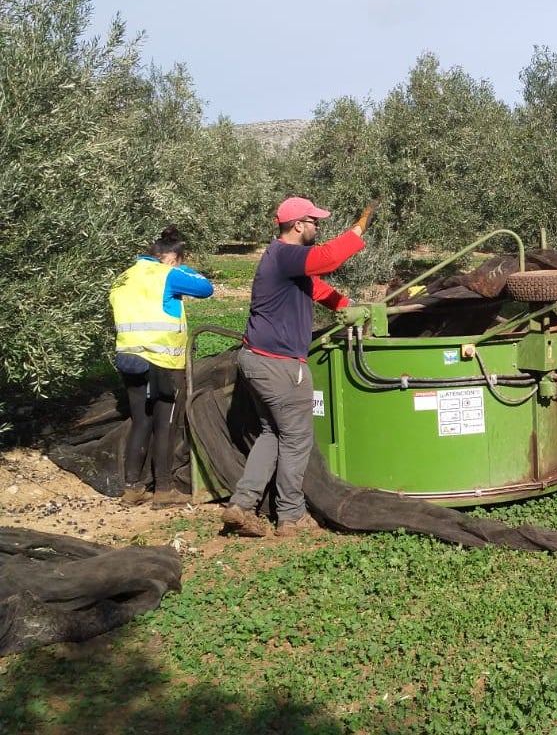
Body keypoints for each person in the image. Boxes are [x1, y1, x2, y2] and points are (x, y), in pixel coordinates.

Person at [222, 197, 374, 538]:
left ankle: (242, 504)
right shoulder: (287, 254)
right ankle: (291, 517)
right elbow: (330, 258)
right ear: (298, 225)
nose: (318, 227)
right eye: (315, 221)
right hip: (280, 366)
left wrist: (351, 305)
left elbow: (317, 288)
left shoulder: (283, 263)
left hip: (255, 359)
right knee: (296, 438)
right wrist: (359, 229)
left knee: (272, 433)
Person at [110, 226, 214, 508]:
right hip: (162, 362)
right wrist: (178, 266)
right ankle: (164, 491)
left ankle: (132, 489)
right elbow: (206, 288)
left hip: (129, 358)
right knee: (165, 424)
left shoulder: (123, 277)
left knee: (140, 421)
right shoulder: (168, 274)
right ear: (171, 258)